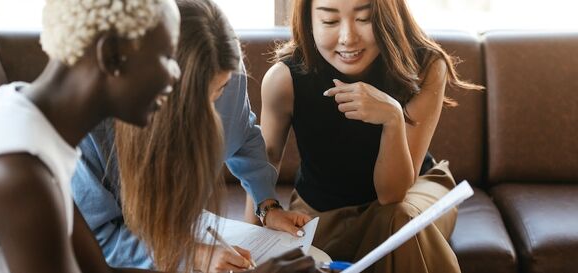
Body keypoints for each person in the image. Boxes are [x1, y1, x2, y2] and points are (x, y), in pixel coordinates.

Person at [71, 0, 313, 272]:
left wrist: (267, 207)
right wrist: (192, 255)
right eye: (196, 98)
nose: (211, 113)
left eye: (219, 89)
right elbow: (99, 238)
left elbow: (244, 137)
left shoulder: (230, 78)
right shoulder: (91, 123)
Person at [257, 0, 482, 272]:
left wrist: (393, 119)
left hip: (414, 192)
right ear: (309, 22)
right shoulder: (283, 79)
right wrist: (251, 242)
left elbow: (392, 194)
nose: (348, 38)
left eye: (365, 18)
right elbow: (263, 161)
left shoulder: (426, 66)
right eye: (329, 21)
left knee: (399, 220)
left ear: (388, 15)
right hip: (322, 209)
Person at [0, 0, 182, 272]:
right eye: (167, 57)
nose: (175, 74)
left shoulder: (32, 122)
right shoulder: (19, 174)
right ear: (111, 55)